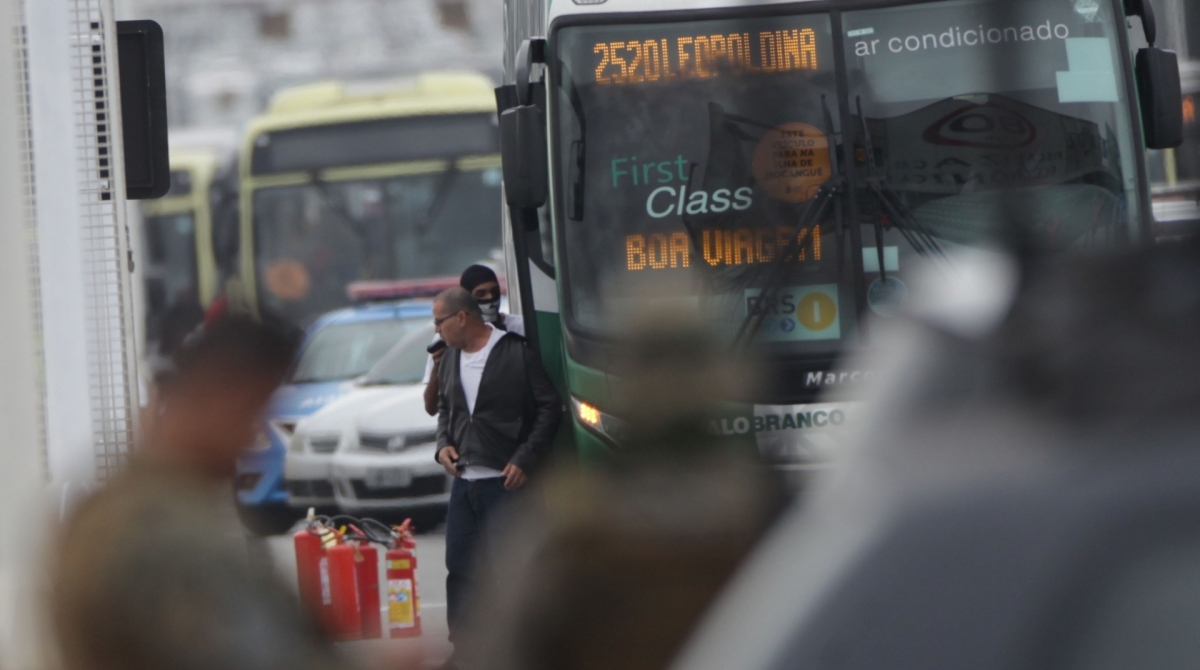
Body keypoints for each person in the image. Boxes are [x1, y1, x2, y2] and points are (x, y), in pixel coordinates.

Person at [49, 316, 359, 670]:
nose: (250, 439)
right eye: (250, 413)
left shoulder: (128, 509)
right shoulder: (156, 528)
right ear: (214, 394)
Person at [431, 286, 561, 650]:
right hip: (465, 484)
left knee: (513, 573)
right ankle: (465, 651)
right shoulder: (451, 358)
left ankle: (524, 650)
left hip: (504, 485)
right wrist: (443, 446)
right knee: (461, 569)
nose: (436, 330)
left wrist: (524, 458)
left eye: (439, 321)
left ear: (462, 317)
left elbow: (549, 408)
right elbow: (446, 410)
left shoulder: (514, 352)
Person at [424, 265, 524, 416]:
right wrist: (437, 369)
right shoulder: (448, 337)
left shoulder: (520, 328)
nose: (490, 298)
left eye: (494, 292)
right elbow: (433, 409)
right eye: (481, 294)